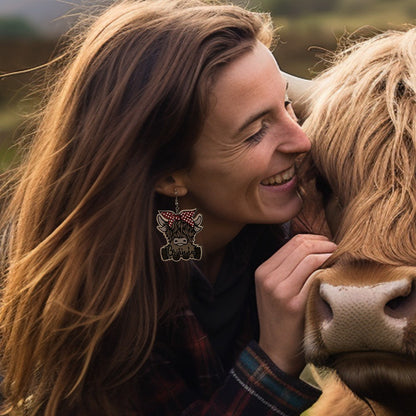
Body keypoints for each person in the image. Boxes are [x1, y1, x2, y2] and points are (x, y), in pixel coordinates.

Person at [0, 0, 336, 415]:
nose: (301, 141)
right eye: (254, 132)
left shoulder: (190, 227)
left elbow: (188, 270)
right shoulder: (98, 305)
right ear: (169, 176)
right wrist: (274, 361)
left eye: (287, 105)